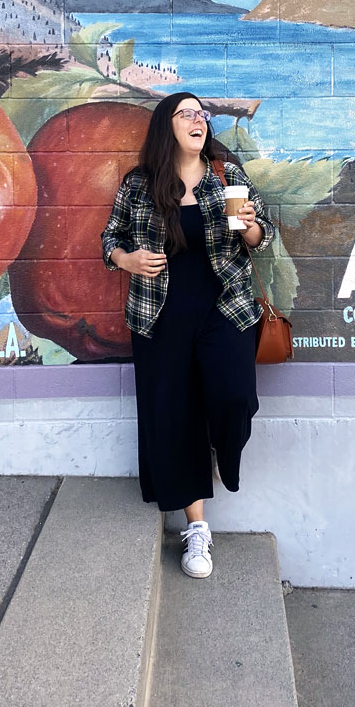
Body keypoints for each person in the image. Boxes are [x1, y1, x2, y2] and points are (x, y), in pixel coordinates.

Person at [101, 91, 275, 579]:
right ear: (167, 127)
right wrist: (128, 260)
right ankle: (196, 529)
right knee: (174, 417)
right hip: (161, 315)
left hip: (226, 308)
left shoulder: (227, 174)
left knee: (234, 394)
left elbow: (265, 237)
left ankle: (221, 449)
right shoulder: (139, 185)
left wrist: (249, 229)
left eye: (202, 114)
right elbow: (109, 238)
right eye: (186, 114)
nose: (198, 120)